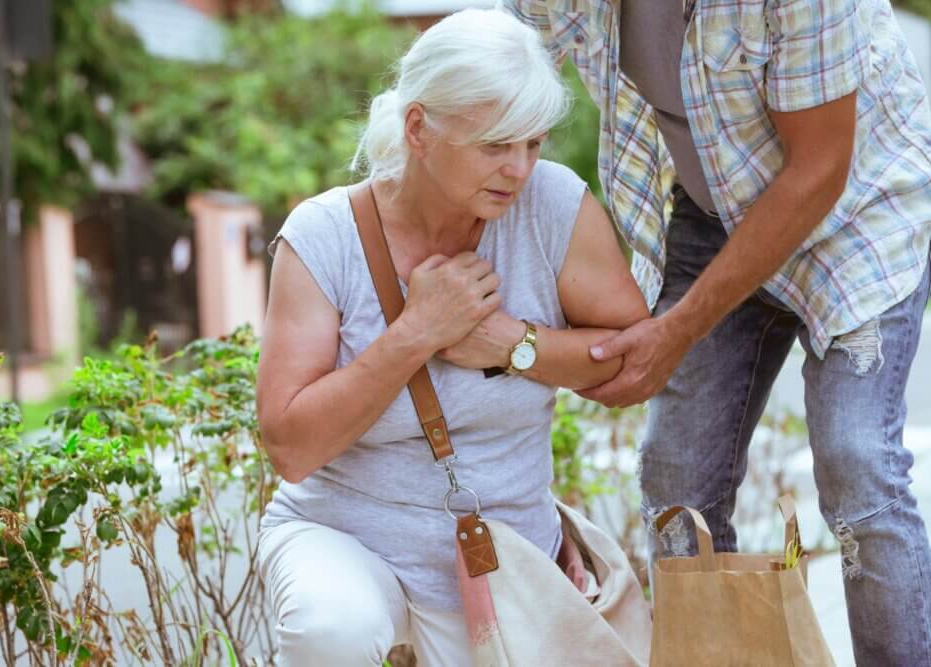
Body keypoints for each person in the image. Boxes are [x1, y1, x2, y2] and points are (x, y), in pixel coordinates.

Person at [503, 0, 931, 663]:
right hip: (712, 212)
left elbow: (819, 167)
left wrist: (674, 332)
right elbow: (491, 78)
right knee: (676, 479)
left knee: (858, 460)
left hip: (856, 208)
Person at [254, 8, 648, 667]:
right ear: (419, 129)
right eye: (496, 144)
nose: (519, 168)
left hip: (503, 553)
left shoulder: (552, 206)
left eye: (532, 142)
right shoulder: (323, 236)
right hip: (345, 536)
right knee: (333, 628)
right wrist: (415, 333)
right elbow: (290, 446)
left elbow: (636, 360)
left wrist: (510, 344)